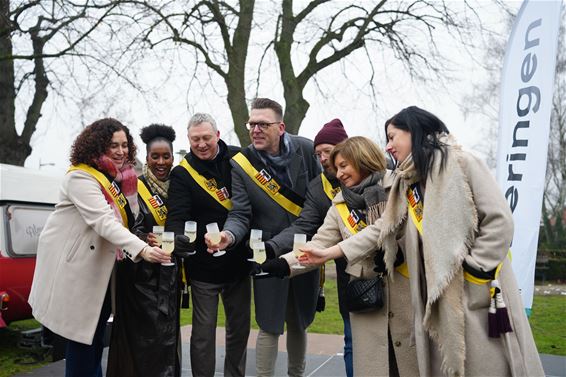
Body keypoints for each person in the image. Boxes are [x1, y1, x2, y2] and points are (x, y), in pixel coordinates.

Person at [302, 106, 544, 376]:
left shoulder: (462, 162)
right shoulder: (409, 181)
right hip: (435, 294)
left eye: (393, 137)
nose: (389, 146)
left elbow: (499, 221)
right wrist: (335, 251)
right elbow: (384, 227)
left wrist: (475, 270)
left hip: (476, 289)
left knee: (488, 363)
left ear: (414, 130)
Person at [28, 118, 170, 377]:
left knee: (94, 340)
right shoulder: (80, 177)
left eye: (124, 145)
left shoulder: (121, 178)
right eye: (112, 145)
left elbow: (128, 221)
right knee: (82, 341)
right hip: (78, 272)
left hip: (104, 273)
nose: (120, 151)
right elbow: (104, 222)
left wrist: (143, 238)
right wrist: (141, 249)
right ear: (96, 146)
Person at [205, 98, 321, 377]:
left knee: (298, 320)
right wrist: (228, 236)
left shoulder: (306, 149)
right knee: (269, 323)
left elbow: (321, 197)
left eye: (262, 124)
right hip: (265, 251)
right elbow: (240, 214)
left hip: (305, 246)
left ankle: (297, 373)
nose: (255, 129)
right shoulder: (242, 163)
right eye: (251, 124)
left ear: (280, 127)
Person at [261, 118, 354, 377]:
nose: (323, 158)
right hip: (347, 273)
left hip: (383, 273)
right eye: (318, 153)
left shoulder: (373, 179)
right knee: (351, 343)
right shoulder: (318, 187)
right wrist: (273, 248)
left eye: (328, 151)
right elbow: (306, 225)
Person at [165, 113, 251, 377]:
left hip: (238, 262)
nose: (201, 144)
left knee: (240, 331)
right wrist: (178, 238)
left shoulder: (239, 159)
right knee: (203, 336)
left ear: (218, 135)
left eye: (206, 138)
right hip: (202, 267)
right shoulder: (182, 172)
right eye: (195, 139)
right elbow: (176, 217)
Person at [107, 124, 180, 377]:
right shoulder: (132, 187)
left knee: (167, 342)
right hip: (138, 278)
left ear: (172, 157)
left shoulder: (179, 187)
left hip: (168, 276)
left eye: (166, 156)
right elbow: (121, 226)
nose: (161, 162)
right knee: (141, 345)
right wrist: (142, 238)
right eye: (155, 156)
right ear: (146, 158)